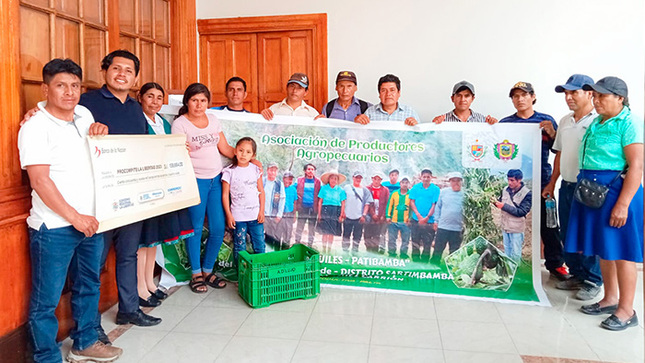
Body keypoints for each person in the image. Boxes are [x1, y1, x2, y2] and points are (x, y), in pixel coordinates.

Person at [18, 58, 122, 362]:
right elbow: (39, 180)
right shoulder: (35, 127)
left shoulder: (83, 114)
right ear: (45, 89)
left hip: (90, 222)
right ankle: (46, 356)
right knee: (45, 300)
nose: (69, 92)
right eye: (61, 85)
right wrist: (74, 217)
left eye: (75, 86)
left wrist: (98, 129)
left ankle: (86, 341)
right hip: (54, 228)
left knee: (89, 285)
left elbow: (93, 147)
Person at [80, 50, 161, 338]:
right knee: (94, 261)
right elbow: (55, 115)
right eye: (117, 68)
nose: (122, 74)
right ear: (105, 71)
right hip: (98, 199)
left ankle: (129, 308)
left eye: (129, 70)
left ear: (135, 77)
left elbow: (144, 146)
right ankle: (90, 325)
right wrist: (33, 112)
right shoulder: (85, 102)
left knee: (128, 254)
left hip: (130, 197)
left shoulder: (135, 108)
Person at [567, 77, 643, 331]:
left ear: (619, 98)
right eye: (595, 96)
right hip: (593, 191)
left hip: (616, 192)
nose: (596, 101)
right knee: (604, 249)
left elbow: (636, 166)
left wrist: (623, 204)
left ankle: (627, 310)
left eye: (602, 97)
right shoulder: (598, 123)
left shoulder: (629, 123)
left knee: (622, 252)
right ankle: (610, 299)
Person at [499, 81, 570, 280]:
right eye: (516, 96)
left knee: (549, 224)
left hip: (542, 182)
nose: (520, 99)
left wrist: (553, 133)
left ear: (533, 97)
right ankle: (511, 262)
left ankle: (556, 264)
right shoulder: (506, 123)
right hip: (516, 182)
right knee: (513, 219)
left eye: (524, 95)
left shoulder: (546, 120)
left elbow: (559, 150)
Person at [542, 74, 602, 300]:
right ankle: (576, 274)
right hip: (566, 186)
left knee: (588, 234)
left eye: (573, 92)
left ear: (589, 93)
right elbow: (559, 155)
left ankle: (593, 279)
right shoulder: (566, 120)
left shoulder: (598, 121)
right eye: (566, 93)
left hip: (588, 188)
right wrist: (552, 181)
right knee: (567, 232)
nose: (568, 97)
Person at [136, 82, 194, 307]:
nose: (154, 101)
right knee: (142, 241)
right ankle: (140, 287)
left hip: (162, 187)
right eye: (150, 96)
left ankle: (150, 284)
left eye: (159, 98)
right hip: (144, 186)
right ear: (141, 97)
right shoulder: (137, 121)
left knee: (154, 239)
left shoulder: (164, 123)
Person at [171, 83, 233, 293]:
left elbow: (224, 148)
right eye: (194, 100)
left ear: (208, 102)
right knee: (195, 228)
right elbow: (176, 154)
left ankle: (208, 270)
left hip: (216, 179)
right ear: (187, 101)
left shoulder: (213, 120)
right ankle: (195, 273)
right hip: (195, 180)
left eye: (203, 100)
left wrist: (249, 158)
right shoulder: (180, 124)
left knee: (217, 227)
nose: (198, 105)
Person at [222, 137, 266, 271]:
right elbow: (225, 195)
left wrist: (261, 211)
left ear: (253, 155)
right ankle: (241, 274)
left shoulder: (255, 169)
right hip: (238, 218)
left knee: (259, 245)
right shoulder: (229, 171)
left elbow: (261, 192)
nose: (243, 154)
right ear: (235, 151)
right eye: (241, 150)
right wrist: (229, 215)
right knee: (240, 247)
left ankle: (260, 273)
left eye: (248, 152)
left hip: (255, 217)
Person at [493, 169, 532, 262]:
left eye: (512, 180)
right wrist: (494, 202)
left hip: (516, 228)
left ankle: (515, 272)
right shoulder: (505, 190)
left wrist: (504, 206)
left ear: (519, 180)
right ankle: (508, 270)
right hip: (505, 226)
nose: (509, 183)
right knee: (507, 250)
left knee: (515, 252)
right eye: (508, 180)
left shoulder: (527, 194)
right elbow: (500, 202)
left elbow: (522, 212)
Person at [431, 172, 464, 264]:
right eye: (453, 181)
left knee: (454, 250)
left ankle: (451, 268)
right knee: (438, 249)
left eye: (458, 180)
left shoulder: (465, 194)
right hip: (443, 227)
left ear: (461, 182)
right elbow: (438, 207)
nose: (456, 183)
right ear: (450, 182)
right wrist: (436, 221)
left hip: (457, 228)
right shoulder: (444, 192)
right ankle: (434, 266)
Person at [409, 169, 440, 262]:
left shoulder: (435, 189)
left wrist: (426, 218)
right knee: (415, 241)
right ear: (421, 177)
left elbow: (435, 204)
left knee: (427, 243)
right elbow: (412, 202)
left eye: (428, 177)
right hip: (416, 219)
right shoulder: (415, 188)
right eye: (424, 177)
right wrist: (418, 216)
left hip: (429, 221)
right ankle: (415, 261)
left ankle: (425, 261)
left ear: (431, 178)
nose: (426, 179)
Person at [432, 81, 498, 124]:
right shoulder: (443, 120)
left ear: (472, 99)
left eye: (467, 96)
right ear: (452, 98)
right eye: (459, 95)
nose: (463, 99)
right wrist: (434, 126)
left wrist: (495, 126)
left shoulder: (483, 120)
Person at [342, 171, 373, 253]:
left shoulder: (365, 190)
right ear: (353, 178)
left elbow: (367, 203)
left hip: (359, 218)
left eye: (360, 178)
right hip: (347, 216)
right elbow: (342, 200)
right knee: (346, 235)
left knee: (357, 236)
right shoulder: (346, 187)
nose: (358, 179)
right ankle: (345, 252)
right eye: (356, 177)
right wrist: (342, 212)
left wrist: (364, 215)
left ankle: (354, 252)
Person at [317, 170, 347, 253]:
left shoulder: (340, 190)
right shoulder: (324, 188)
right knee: (325, 232)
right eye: (332, 178)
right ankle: (323, 249)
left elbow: (343, 202)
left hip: (336, 210)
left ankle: (329, 250)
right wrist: (319, 214)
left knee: (331, 232)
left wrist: (341, 214)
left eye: (335, 179)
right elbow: (320, 201)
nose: (333, 180)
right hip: (325, 209)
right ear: (329, 180)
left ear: (337, 181)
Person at [295, 163, 321, 247]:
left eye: (312, 169)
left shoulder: (317, 182)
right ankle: (297, 243)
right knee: (300, 226)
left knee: (312, 227)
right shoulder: (299, 180)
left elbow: (320, 194)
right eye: (309, 169)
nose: (310, 171)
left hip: (313, 208)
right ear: (305, 171)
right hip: (302, 207)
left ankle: (310, 244)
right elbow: (293, 188)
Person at [385, 176, 411, 258]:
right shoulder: (394, 193)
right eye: (403, 183)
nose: (404, 184)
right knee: (392, 239)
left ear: (408, 184)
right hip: (394, 221)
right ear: (400, 184)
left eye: (406, 183)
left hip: (405, 222)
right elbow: (389, 205)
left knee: (405, 240)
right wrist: (388, 216)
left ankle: (403, 255)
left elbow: (412, 208)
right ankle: (392, 254)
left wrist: (410, 218)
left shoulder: (410, 194)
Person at [364, 172, 390, 253]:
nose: (376, 181)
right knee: (367, 233)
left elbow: (386, 203)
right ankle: (368, 249)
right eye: (375, 179)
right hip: (369, 215)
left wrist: (383, 215)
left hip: (380, 215)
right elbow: (367, 202)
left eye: (378, 179)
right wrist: (372, 214)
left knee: (377, 234)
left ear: (381, 180)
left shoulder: (385, 190)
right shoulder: (367, 189)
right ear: (372, 179)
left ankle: (375, 250)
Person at [263, 162, 286, 249]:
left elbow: (282, 200)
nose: (273, 172)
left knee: (271, 236)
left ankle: (269, 255)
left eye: (275, 171)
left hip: (273, 215)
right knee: (259, 236)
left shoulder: (279, 184)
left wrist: (279, 214)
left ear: (277, 172)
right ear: (267, 170)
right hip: (262, 214)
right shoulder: (262, 181)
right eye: (271, 170)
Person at [278, 171, 298, 250]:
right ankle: (277, 251)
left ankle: (285, 250)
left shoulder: (293, 189)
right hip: (280, 213)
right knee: (279, 233)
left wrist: (294, 215)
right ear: (283, 179)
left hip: (289, 213)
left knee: (288, 233)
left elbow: (295, 202)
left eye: (290, 179)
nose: (288, 181)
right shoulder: (279, 187)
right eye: (287, 179)